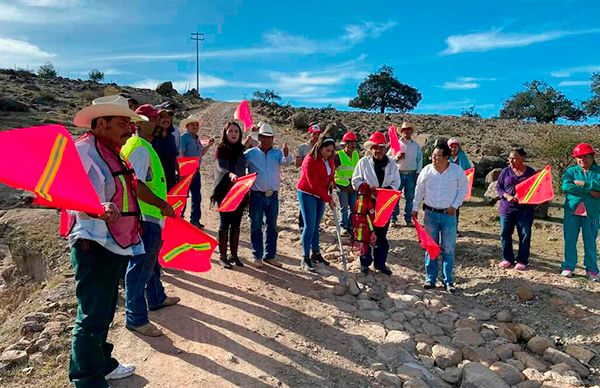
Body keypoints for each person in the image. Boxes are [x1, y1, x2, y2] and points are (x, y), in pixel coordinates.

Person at [68, 95, 147, 386]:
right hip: (94, 244)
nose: (129, 129)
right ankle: (87, 379)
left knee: (104, 309)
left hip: (114, 242)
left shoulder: (113, 150)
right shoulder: (84, 152)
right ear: (101, 123)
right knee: (91, 317)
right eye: (122, 123)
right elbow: (73, 197)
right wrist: (97, 208)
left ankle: (103, 363)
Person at [120, 104, 180, 338]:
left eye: (158, 119)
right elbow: (135, 185)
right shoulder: (140, 148)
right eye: (152, 119)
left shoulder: (143, 146)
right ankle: (136, 318)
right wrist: (162, 204)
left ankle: (156, 297)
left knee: (151, 263)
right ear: (139, 122)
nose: (157, 123)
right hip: (146, 216)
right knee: (140, 268)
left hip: (149, 215)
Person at [412, 143, 468, 293]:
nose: (434, 158)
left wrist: (455, 205)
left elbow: (463, 189)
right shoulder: (427, 170)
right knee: (431, 247)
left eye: (437, 156)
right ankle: (430, 278)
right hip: (430, 214)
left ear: (446, 157)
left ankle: (448, 280)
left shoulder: (457, 171)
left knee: (448, 249)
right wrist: (415, 207)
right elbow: (419, 190)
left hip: (448, 215)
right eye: (433, 156)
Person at [351, 131, 400, 276]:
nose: (377, 150)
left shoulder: (392, 164)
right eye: (375, 147)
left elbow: (397, 182)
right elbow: (355, 181)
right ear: (370, 149)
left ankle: (380, 263)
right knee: (365, 233)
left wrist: (385, 191)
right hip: (366, 202)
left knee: (381, 235)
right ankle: (365, 263)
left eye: (380, 147)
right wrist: (367, 188)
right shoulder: (363, 162)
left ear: (385, 148)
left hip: (384, 203)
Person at [245, 122, 292, 268]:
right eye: (263, 137)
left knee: (272, 225)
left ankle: (270, 256)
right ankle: (257, 255)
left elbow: (287, 162)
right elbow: (238, 163)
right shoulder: (250, 153)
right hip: (257, 195)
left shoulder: (277, 153)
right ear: (258, 138)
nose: (266, 140)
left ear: (272, 139)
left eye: (269, 138)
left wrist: (286, 153)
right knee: (256, 225)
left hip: (273, 195)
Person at [560, 143, 600, 282]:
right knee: (570, 240)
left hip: (592, 212)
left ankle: (592, 270)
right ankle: (568, 266)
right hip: (572, 211)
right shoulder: (571, 172)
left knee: (590, 241)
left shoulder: (598, 172)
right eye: (578, 157)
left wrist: (583, 184)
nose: (582, 159)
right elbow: (566, 186)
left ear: (592, 156)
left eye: (585, 156)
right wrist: (591, 190)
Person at [296, 137, 337, 271]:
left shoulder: (329, 159)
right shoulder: (309, 160)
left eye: (331, 151)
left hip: (321, 194)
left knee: (316, 225)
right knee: (309, 225)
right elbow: (313, 185)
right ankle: (305, 257)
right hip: (307, 192)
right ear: (320, 147)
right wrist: (328, 199)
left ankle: (316, 253)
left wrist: (332, 182)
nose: (329, 153)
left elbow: (331, 173)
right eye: (327, 150)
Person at [211, 121, 247, 269]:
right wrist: (230, 174)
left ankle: (234, 254)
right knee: (225, 222)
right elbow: (220, 167)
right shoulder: (221, 149)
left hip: (239, 190)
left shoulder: (241, 150)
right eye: (230, 131)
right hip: (225, 191)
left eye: (236, 132)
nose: (233, 134)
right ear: (225, 134)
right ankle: (222, 256)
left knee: (236, 223)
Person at [496, 149, 537, 270]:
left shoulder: (530, 172)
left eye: (514, 158)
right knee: (505, 233)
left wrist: (524, 196)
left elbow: (535, 188)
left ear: (522, 158)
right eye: (509, 158)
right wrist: (506, 196)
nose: (511, 161)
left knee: (524, 234)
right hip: (507, 208)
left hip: (525, 209)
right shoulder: (505, 171)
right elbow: (499, 187)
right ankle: (507, 258)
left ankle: (522, 260)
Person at [179, 114, 215, 229]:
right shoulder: (184, 137)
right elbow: (181, 154)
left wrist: (208, 146)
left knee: (196, 196)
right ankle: (179, 219)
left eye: (196, 125)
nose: (195, 127)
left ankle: (195, 220)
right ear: (187, 126)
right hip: (186, 171)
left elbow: (200, 154)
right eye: (192, 125)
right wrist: (183, 171)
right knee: (183, 196)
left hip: (196, 171)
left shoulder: (196, 138)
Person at [389, 122, 422, 227]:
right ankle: (393, 218)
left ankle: (408, 219)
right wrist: (396, 158)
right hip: (397, 173)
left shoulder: (416, 146)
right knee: (395, 196)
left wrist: (418, 173)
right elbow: (388, 159)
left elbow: (419, 160)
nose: (406, 132)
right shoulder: (395, 144)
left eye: (408, 130)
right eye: (404, 130)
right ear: (401, 132)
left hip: (411, 174)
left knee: (410, 197)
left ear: (411, 132)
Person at [295, 123, 322, 232]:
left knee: (317, 203)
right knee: (305, 202)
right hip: (305, 180)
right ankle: (302, 224)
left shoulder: (321, 148)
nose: (316, 136)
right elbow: (297, 164)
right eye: (314, 134)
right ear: (309, 133)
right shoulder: (303, 147)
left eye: (318, 134)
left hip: (318, 179)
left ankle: (316, 225)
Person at [334, 132, 359, 235]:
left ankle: (350, 226)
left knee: (353, 207)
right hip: (342, 185)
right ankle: (342, 226)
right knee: (344, 207)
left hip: (352, 186)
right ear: (346, 144)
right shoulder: (338, 155)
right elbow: (332, 169)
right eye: (351, 143)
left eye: (354, 143)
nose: (353, 145)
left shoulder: (356, 154)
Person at [448, 137, 473, 235]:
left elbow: (468, 169)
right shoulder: (446, 157)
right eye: (451, 147)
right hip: (447, 186)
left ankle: (454, 228)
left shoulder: (462, 156)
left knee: (455, 207)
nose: (453, 149)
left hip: (458, 186)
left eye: (455, 147)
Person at [152, 109, 179, 191]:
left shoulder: (172, 138)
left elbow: (174, 157)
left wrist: (178, 172)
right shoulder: (151, 137)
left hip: (171, 180)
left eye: (169, 117)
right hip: (155, 182)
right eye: (163, 117)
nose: (166, 120)